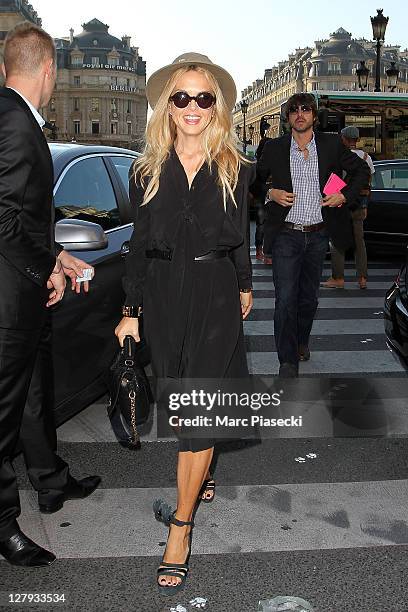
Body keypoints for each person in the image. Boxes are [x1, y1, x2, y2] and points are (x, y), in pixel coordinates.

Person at [115, 52, 253, 592]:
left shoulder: (234, 167)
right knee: (182, 402)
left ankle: (181, 525)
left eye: (203, 97)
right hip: (165, 296)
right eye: (182, 97)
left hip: (216, 292)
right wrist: (130, 312)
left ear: (215, 106)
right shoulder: (146, 169)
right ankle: (204, 469)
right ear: (167, 107)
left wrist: (244, 286)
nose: (192, 107)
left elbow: (241, 236)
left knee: (198, 414)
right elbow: (137, 246)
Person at [0, 22, 100, 568]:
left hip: (24, 289)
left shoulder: (16, 118)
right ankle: (3, 525)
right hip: (10, 297)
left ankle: (51, 478)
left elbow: (27, 212)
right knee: (4, 411)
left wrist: (57, 255)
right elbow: (5, 218)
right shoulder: (16, 123)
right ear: (50, 71)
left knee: (36, 392)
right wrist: (48, 269)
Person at [251, 92, 370, 377]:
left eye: (306, 109)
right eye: (294, 110)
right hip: (286, 236)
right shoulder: (275, 148)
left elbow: (362, 171)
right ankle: (287, 362)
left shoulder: (331, 144)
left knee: (308, 300)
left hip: (318, 236)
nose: (300, 114)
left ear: (314, 116)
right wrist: (270, 193)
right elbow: (253, 183)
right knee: (285, 299)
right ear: (287, 117)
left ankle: (302, 340)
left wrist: (343, 195)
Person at [322, 125, 375, 290]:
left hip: (339, 204)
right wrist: (365, 205)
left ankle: (338, 277)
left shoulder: (338, 155)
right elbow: (367, 184)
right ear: (357, 140)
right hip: (358, 205)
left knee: (338, 240)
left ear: (343, 139)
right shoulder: (366, 157)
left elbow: (329, 181)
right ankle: (362, 278)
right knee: (360, 242)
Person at [254, 136, 272, 264]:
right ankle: (263, 252)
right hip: (263, 196)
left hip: (265, 196)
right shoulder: (259, 164)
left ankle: (262, 251)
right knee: (263, 224)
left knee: (263, 225)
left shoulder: (258, 163)